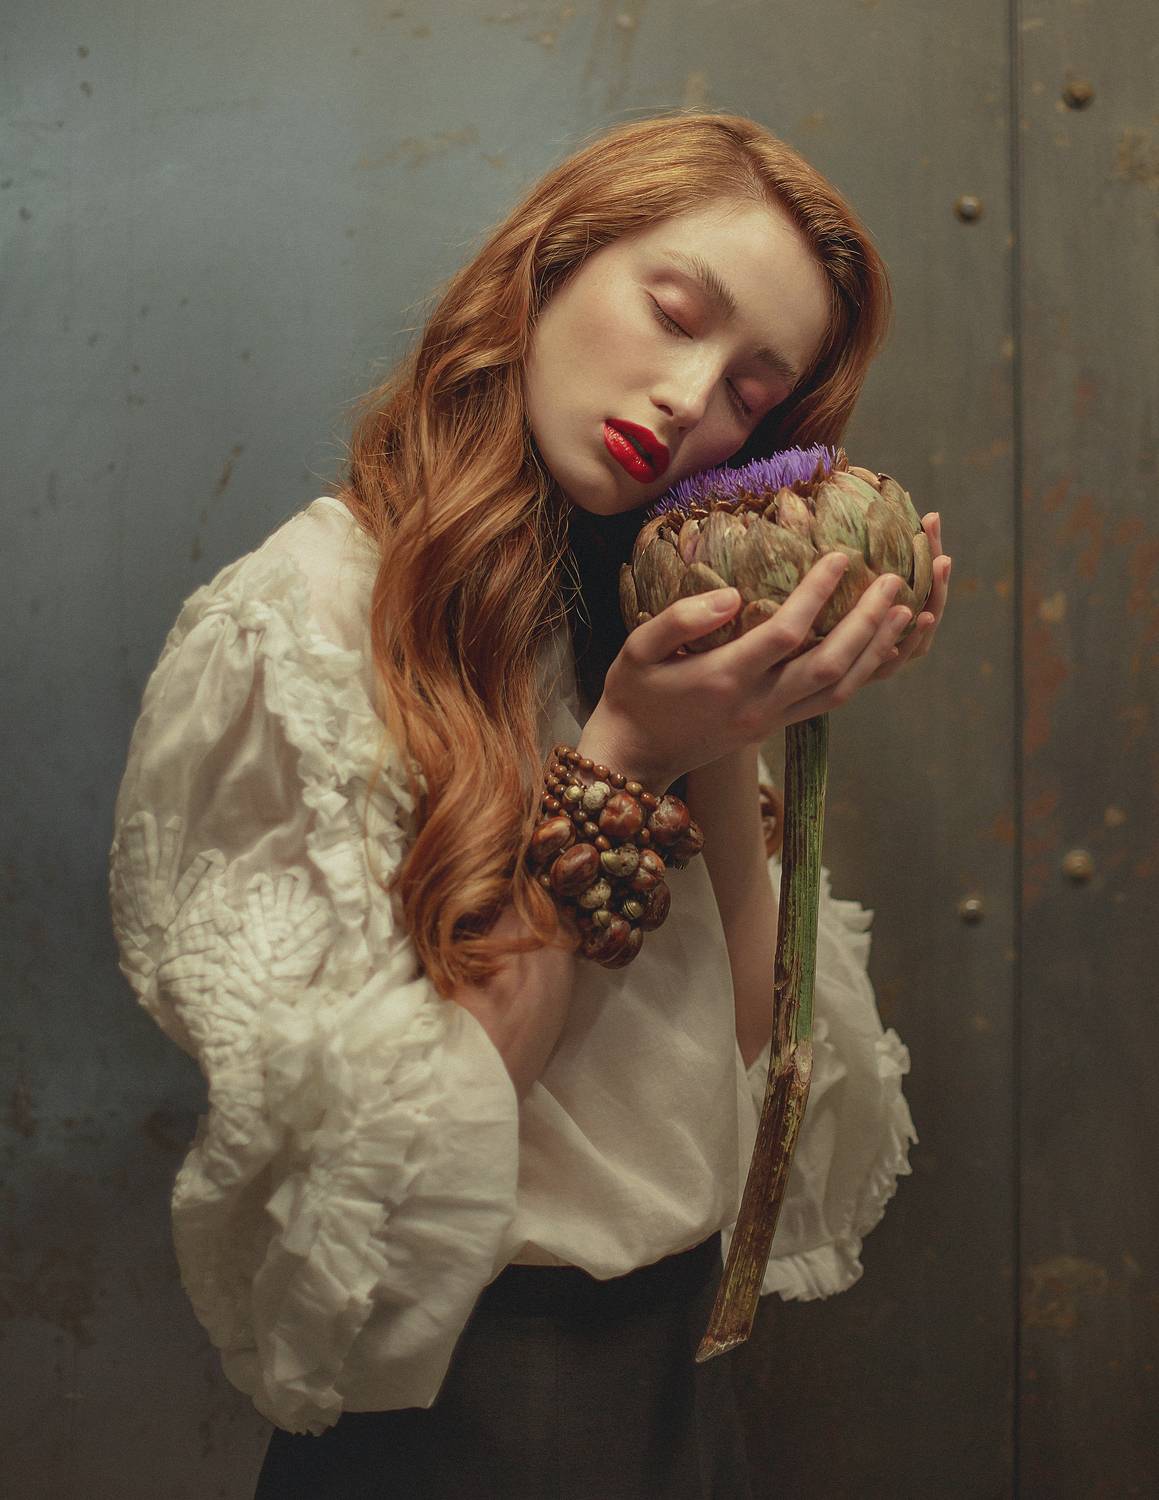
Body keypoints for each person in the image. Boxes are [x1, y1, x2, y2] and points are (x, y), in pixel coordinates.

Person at [108, 110, 948, 1498]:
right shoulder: (303, 623)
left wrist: (749, 719)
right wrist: (619, 758)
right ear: (548, 262)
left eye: (750, 394)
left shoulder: (627, 616)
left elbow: (751, 1043)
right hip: (465, 1412)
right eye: (673, 313)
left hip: (679, 1389)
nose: (688, 398)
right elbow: (402, 1148)